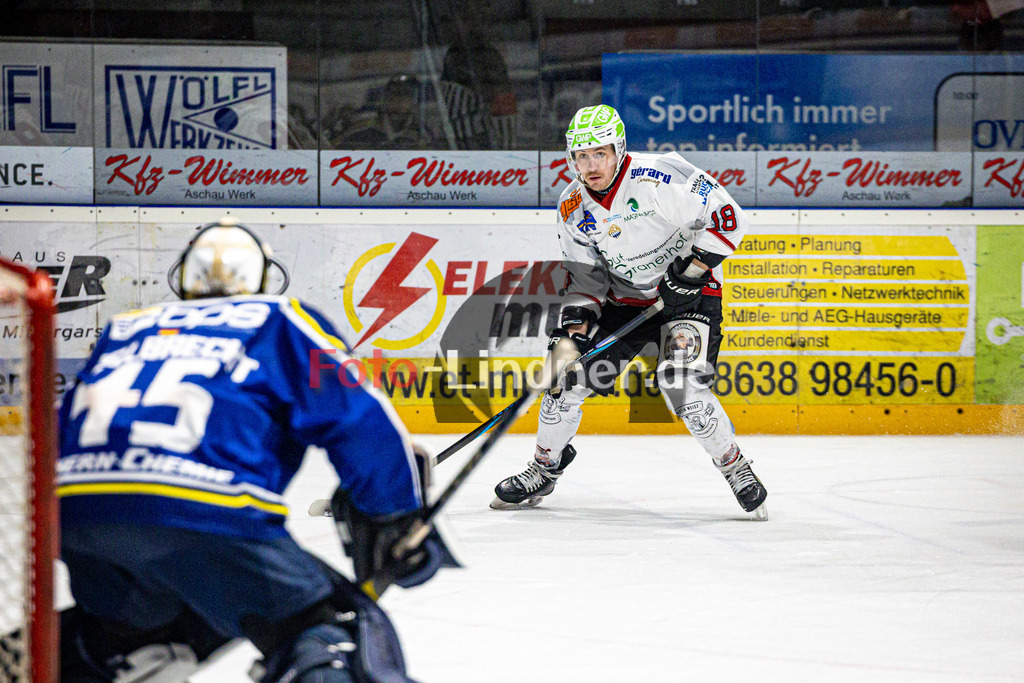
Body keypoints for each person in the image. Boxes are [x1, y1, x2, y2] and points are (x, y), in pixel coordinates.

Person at [57, 219, 457, 682]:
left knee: (134, 635)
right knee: (328, 631)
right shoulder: (277, 318)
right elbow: (358, 415)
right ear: (263, 278)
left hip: (76, 511)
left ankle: (83, 656)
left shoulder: (126, 329)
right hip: (205, 507)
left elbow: (64, 425)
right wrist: (394, 515)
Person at [490, 104, 768, 519]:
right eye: (581, 156)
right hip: (625, 304)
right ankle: (545, 468)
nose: (590, 164)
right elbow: (585, 278)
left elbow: (730, 220)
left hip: (687, 298)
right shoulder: (572, 206)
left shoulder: (660, 176)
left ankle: (735, 468)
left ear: (618, 149)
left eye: (599, 153)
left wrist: (690, 274)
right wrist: (575, 330)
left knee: (683, 388)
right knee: (563, 379)